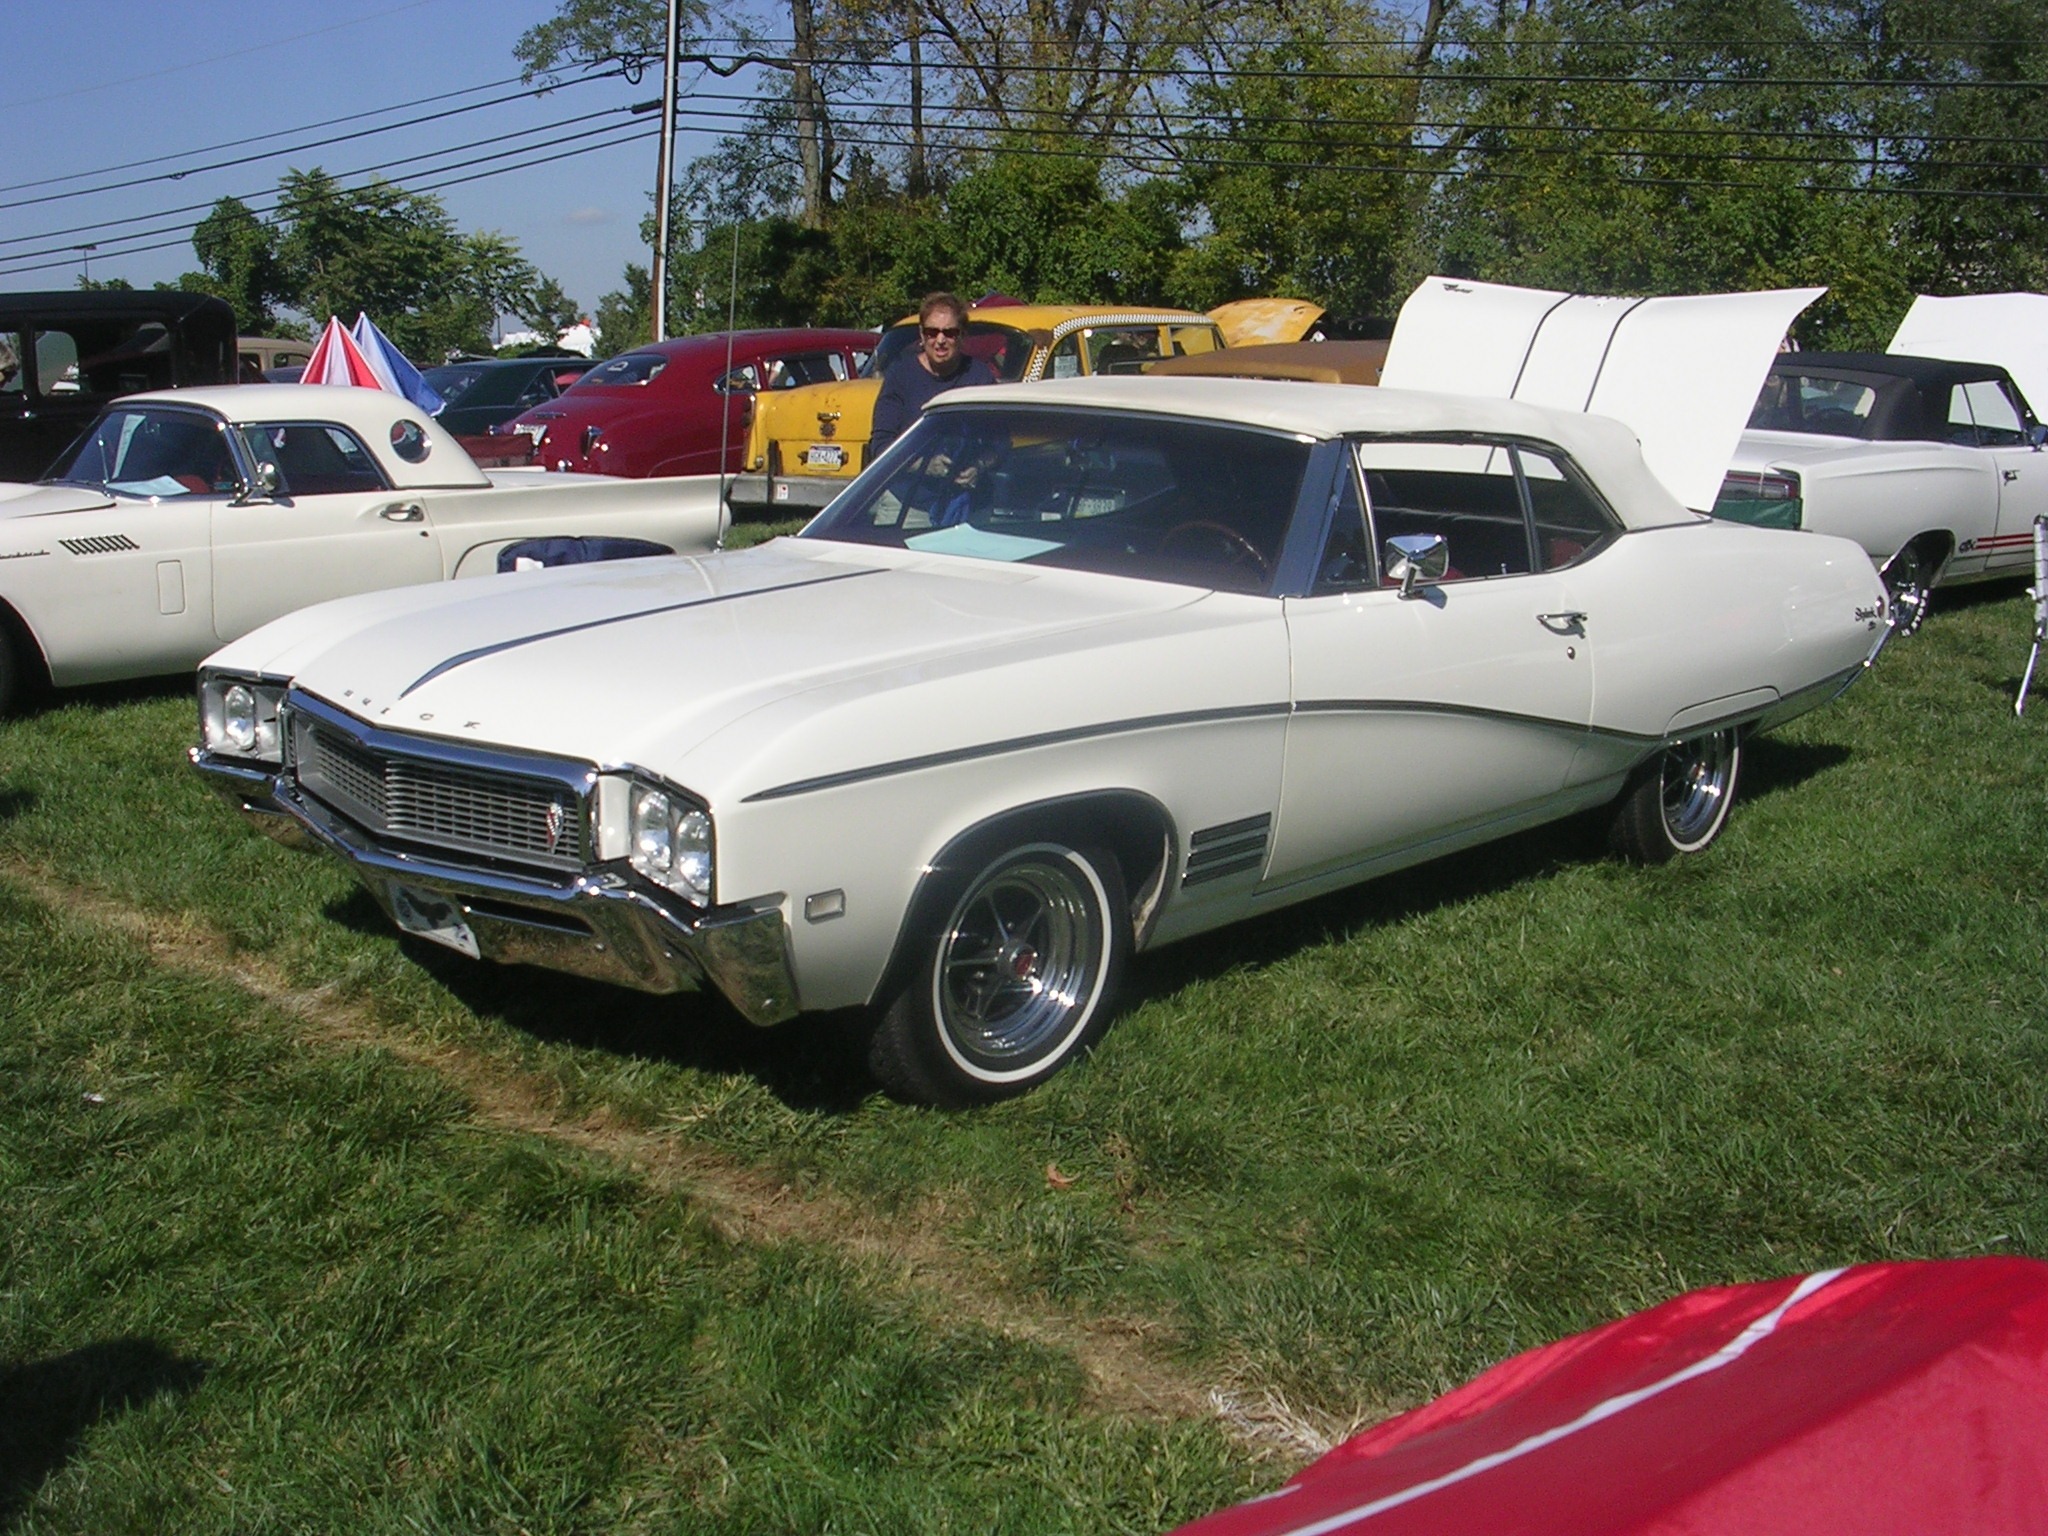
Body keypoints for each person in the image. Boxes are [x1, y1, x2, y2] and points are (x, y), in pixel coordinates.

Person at [870, 292, 998, 452]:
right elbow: (881, 445)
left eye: (950, 333)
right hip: (912, 468)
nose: (940, 340)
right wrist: (923, 463)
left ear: (962, 335)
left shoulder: (980, 378)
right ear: (921, 334)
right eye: (932, 332)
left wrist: (976, 463)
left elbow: (998, 441)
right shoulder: (900, 376)